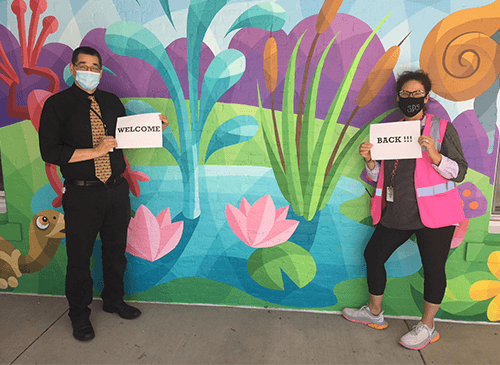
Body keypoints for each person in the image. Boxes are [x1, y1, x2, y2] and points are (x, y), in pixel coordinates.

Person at [39, 46, 169, 341]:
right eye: (83, 65)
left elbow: (121, 140)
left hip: (115, 190)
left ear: (100, 71)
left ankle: (113, 300)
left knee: (115, 251)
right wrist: (93, 152)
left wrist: (153, 127)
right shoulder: (57, 105)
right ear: (73, 69)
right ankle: (79, 315)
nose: (89, 71)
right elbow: (50, 151)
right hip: (81, 195)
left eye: (94, 66)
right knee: (79, 257)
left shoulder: (111, 102)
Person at [342, 70, 467, 350]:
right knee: (373, 254)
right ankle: (374, 314)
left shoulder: (443, 129)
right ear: (399, 97)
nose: (411, 98)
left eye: (417, 94)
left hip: (436, 216)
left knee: (434, 269)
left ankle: (428, 327)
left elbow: (460, 172)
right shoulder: (390, 131)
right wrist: (371, 162)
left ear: (427, 97)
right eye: (406, 94)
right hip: (399, 212)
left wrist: (436, 156)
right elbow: (382, 178)